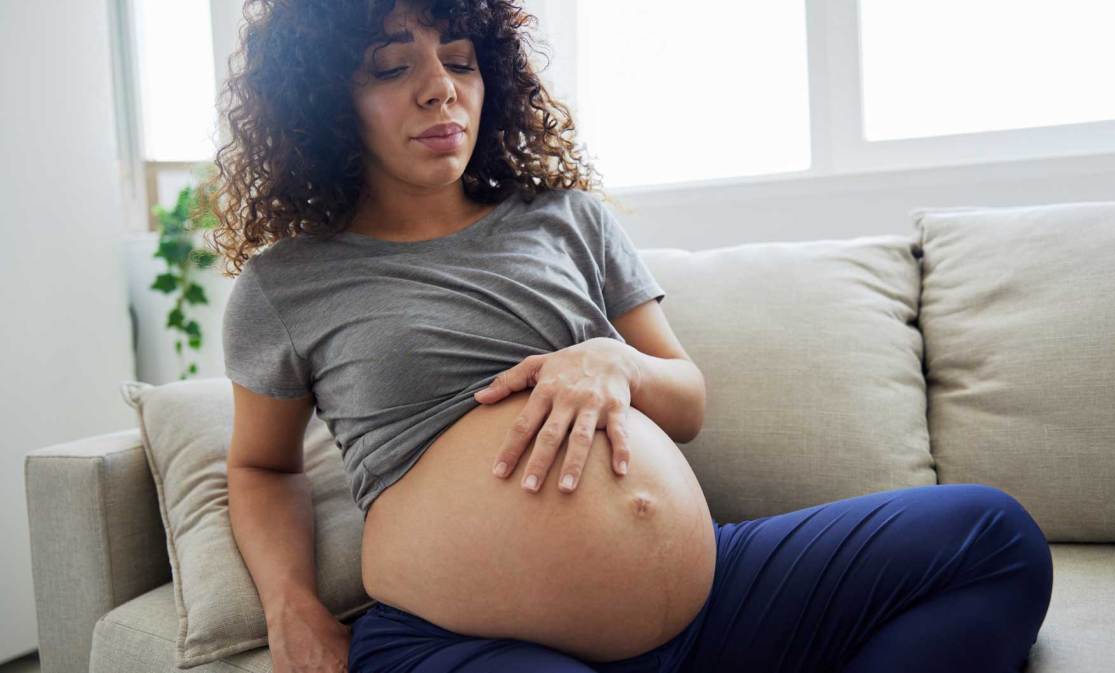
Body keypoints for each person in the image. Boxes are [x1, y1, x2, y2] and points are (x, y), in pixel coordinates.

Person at [205, 2, 1054, 672]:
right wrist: (293, 605)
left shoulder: (567, 221)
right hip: (461, 640)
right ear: (322, 104)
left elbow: (684, 399)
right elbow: (263, 465)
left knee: (995, 537)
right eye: (392, 67)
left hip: (710, 601)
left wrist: (613, 358)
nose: (441, 89)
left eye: (460, 61)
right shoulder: (288, 283)